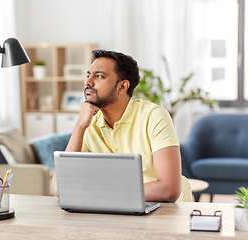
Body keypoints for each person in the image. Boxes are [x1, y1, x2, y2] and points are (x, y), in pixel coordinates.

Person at [52, 50, 182, 202]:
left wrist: (99, 194)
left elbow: (168, 189)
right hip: (111, 214)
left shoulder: (154, 116)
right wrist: (80, 126)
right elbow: (61, 187)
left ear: (122, 87)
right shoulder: (89, 123)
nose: (88, 82)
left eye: (99, 76)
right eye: (88, 75)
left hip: (158, 213)